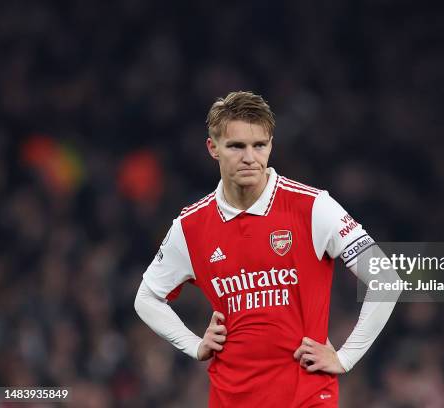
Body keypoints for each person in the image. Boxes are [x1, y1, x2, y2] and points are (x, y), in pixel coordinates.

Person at [134, 91, 400, 407]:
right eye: (236, 146)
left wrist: (346, 357)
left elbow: (387, 279)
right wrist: (193, 345)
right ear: (213, 148)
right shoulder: (191, 226)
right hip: (230, 398)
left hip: (306, 396)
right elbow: (146, 298)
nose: (250, 156)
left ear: (270, 146)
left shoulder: (313, 206)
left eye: (259, 145)